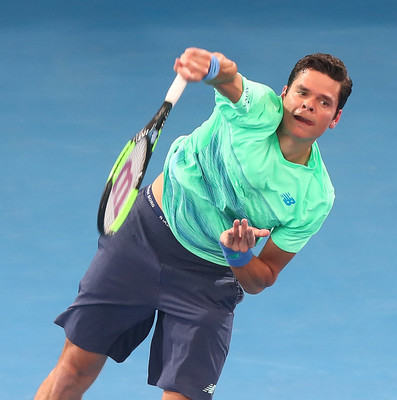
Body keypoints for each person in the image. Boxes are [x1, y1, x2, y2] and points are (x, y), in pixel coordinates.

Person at [35, 47, 352, 400]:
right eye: (302, 92)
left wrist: (240, 257)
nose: (308, 105)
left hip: (209, 279)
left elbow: (263, 278)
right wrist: (213, 65)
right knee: (74, 368)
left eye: (324, 102)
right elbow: (230, 79)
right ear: (284, 94)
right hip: (144, 237)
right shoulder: (258, 109)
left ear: (335, 118)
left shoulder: (315, 197)